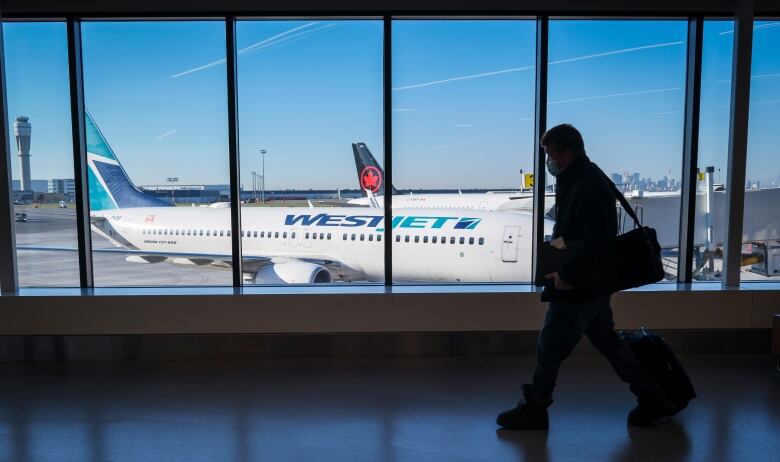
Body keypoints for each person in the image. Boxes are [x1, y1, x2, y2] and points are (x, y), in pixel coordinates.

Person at [496, 124, 676, 430]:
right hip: (594, 281)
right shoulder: (583, 177)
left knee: (550, 344)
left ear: (566, 154)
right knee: (608, 342)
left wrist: (567, 275)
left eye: (550, 154)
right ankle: (652, 396)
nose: (548, 162)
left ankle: (536, 407)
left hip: (580, 283)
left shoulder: (586, 184)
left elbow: (596, 241)